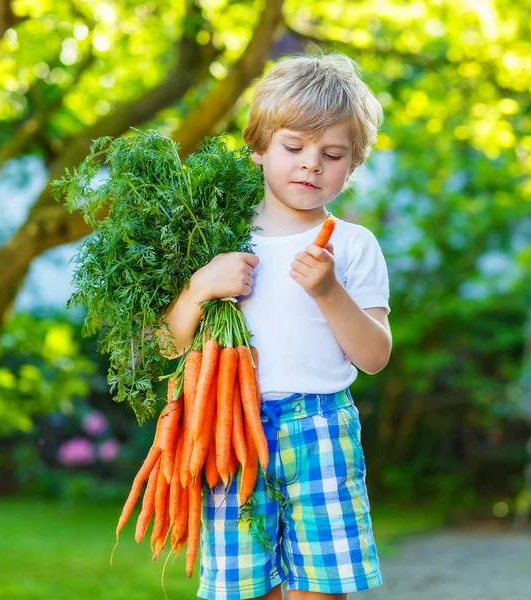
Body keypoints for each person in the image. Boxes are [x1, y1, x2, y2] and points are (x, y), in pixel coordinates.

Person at [163, 52, 392, 600]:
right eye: (294, 147)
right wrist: (200, 286)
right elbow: (165, 345)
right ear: (259, 148)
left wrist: (328, 291)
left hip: (322, 429)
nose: (311, 164)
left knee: (322, 588)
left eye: (332, 154)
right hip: (229, 434)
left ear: (352, 165)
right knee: (241, 589)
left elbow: (375, 355)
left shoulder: (353, 246)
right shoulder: (217, 238)